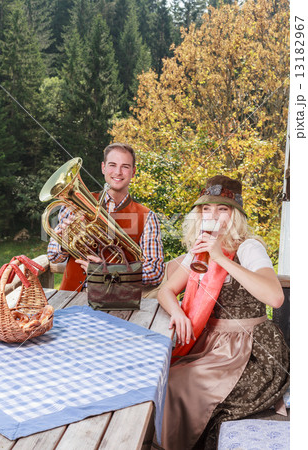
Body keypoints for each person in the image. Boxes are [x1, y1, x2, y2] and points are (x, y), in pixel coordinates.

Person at [157, 175, 290, 450]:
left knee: (178, 385)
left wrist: (220, 258)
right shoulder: (199, 249)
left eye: (222, 209)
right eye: (207, 209)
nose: (214, 216)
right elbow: (165, 292)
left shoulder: (248, 247)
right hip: (210, 344)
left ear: (235, 215)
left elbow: (276, 297)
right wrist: (178, 313)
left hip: (248, 348)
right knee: (159, 377)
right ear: (199, 215)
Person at [47, 142, 165, 297]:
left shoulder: (147, 217)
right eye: (112, 165)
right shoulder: (74, 205)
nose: (118, 172)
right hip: (71, 296)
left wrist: (110, 272)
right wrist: (64, 240)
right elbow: (54, 257)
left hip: (118, 301)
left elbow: (155, 272)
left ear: (133, 172)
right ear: (103, 168)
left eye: (125, 166)